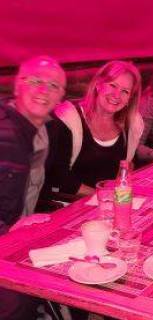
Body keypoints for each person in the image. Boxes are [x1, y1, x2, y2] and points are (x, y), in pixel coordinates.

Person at [0, 55, 66, 320]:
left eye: (53, 86)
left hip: (16, 232)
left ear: (61, 96)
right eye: (35, 81)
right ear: (17, 85)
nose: (43, 90)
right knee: (22, 299)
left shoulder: (45, 131)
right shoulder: (6, 137)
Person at [44, 61, 143, 196]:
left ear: (130, 99)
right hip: (67, 203)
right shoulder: (67, 118)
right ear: (98, 84)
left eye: (125, 91)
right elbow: (59, 177)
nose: (116, 95)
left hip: (107, 202)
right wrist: (103, 196)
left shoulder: (132, 125)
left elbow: (128, 165)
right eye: (112, 85)